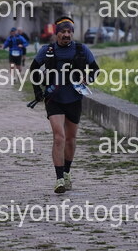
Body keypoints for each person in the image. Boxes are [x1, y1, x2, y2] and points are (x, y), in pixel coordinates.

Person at [29, 17, 99, 194]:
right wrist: (37, 90)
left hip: (74, 99)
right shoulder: (47, 50)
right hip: (54, 98)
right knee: (59, 137)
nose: (66, 35)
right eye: (63, 32)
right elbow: (33, 69)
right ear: (57, 33)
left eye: (69, 32)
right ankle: (59, 178)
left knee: (70, 139)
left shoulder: (81, 49)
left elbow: (95, 69)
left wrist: (89, 78)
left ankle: (67, 172)